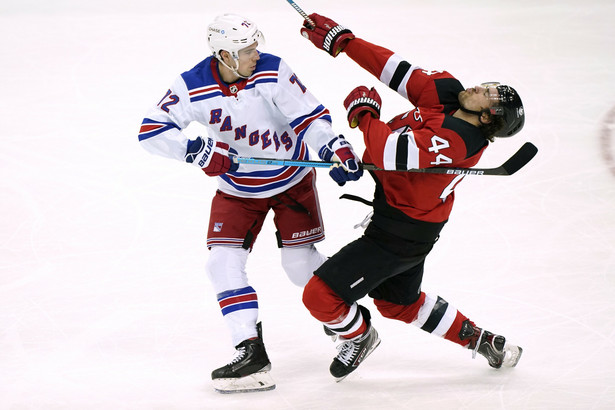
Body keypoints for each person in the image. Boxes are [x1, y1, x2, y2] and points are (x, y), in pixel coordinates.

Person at [138, 13, 363, 393]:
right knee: (221, 263)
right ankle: (250, 352)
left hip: (291, 181)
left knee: (298, 266)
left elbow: (308, 117)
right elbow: (150, 131)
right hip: (238, 190)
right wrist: (196, 151)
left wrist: (331, 145)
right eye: (247, 50)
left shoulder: (273, 70)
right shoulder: (191, 86)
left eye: (255, 45)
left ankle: (352, 326)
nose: (256, 54)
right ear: (224, 55)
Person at [298, 13, 526, 381]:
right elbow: (395, 69)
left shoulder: (456, 141)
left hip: (398, 236)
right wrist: (345, 41)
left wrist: (364, 115)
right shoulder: (450, 94)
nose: (480, 87)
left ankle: (359, 336)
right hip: (414, 224)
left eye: (488, 95)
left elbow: (388, 152)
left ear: (486, 119)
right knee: (397, 303)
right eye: (488, 86)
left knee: (319, 297)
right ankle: (482, 340)